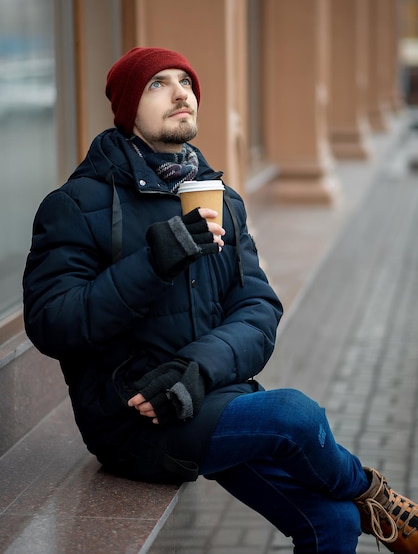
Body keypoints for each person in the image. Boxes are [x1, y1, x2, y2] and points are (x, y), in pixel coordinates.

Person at [23, 46, 418, 554]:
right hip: (134, 420)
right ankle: (375, 497)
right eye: (157, 84)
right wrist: (154, 260)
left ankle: (357, 507)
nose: (180, 92)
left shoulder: (220, 200)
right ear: (126, 110)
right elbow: (52, 322)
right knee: (296, 416)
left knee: (333, 523)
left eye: (185, 81)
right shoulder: (77, 204)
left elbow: (258, 310)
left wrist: (198, 368)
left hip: (208, 395)